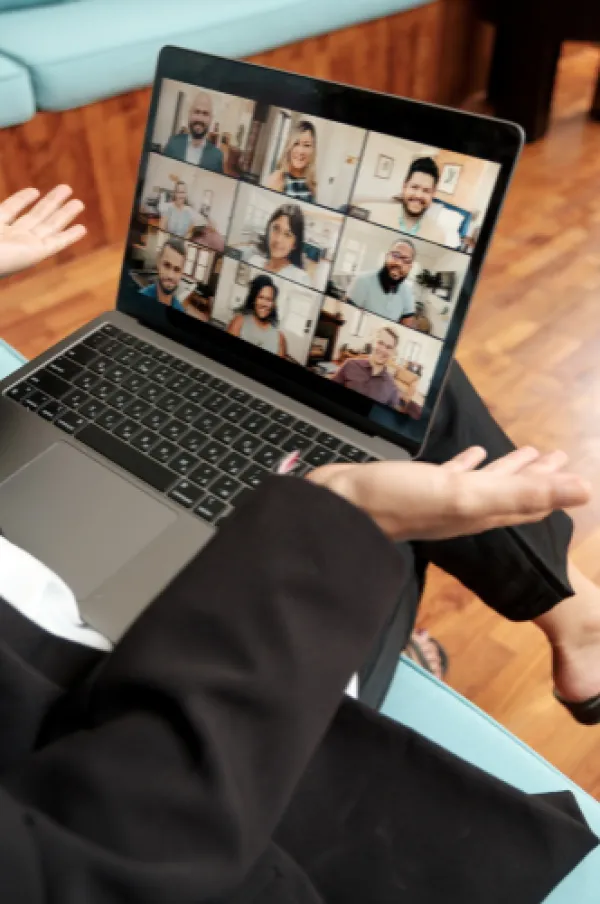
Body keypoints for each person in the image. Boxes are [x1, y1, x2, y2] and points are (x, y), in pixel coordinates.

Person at [1, 185, 600, 899]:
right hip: (183, 748)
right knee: (405, 410)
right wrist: (337, 512)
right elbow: (120, 853)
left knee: (341, 389)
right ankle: (573, 620)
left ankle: (566, 617)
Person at [371, 156, 448, 246]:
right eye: (414, 187)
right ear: (404, 187)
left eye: (426, 190)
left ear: (433, 194)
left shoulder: (438, 236)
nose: (418, 195)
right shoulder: (378, 216)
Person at [346, 238, 417, 327]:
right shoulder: (361, 280)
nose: (399, 263)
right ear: (386, 256)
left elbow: (407, 325)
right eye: (395, 255)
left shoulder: (408, 292)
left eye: (406, 260)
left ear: (410, 267)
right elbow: (347, 318)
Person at [331, 326, 401, 408]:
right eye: (380, 343)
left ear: (393, 352)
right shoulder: (350, 364)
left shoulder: (392, 389)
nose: (383, 350)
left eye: (389, 347)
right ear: (372, 342)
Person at [247, 203, 311, 287]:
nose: (278, 239)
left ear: (295, 244)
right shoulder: (253, 261)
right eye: (276, 228)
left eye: (287, 235)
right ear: (268, 229)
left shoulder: (299, 279)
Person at [227, 273, 288, 357]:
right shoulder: (239, 322)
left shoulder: (280, 338)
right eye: (260, 297)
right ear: (254, 299)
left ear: (273, 304)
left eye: (269, 299)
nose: (264, 304)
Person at [163, 91, 224, 174]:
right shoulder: (173, 143)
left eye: (205, 114)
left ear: (211, 119)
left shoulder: (217, 156)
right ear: (189, 114)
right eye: (196, 112)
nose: (200, 118)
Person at [266, 119, 318, 203]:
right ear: (289, 147)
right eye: (296, 144)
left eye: (307, 145)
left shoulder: (311, 183)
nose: (301, 151)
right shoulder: (277, 179)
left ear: (313, 150)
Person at [139, 237, 187, 312]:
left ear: (182, 273)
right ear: (158, 262)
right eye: (167, 265)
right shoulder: (140, 300)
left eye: (177, 269)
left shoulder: (180, 310)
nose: (170, 275)